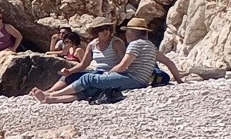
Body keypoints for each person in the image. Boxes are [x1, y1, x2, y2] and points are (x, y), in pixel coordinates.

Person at [43, 20, 178, 103]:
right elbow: (169, 62)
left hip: (133, 78)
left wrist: (108, 74)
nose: (126, 35)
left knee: (88, 78)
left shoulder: (134, 45)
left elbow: (123, 65)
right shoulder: (150, 45)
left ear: (131, 32)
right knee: (92, 89)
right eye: (102, 29)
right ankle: (52, 99)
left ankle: (53, 94)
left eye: (127, 32)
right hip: (137, 79)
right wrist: (180, 82)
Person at [33, 23, 122, 101]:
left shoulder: (116, 43)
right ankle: (49, 91)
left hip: (107, 73)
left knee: (86, 85)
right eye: (101, 29)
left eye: (107, 28)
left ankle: (53, 95)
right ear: (96, 32)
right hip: (94, 70)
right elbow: (84, 64)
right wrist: (69, 71)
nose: (105, 31)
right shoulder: (92, 44)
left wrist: (113, 72)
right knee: (70, 76)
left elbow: (123, 61)